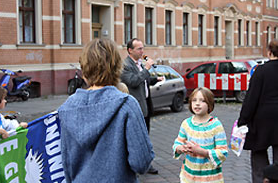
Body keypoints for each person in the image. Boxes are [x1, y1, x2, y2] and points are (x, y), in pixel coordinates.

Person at [58, 39, 154, 183]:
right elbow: (141, 162)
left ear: (84, 68)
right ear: (116, 67)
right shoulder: (127, 105)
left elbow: (67, 163)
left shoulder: (67, 108)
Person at [237, 39, 278, 183]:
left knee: (259, 155)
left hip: (262, 121)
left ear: (269, 52)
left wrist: (243, 120)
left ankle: (261, 180)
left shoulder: (261, 71)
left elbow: (251, 98)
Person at [121, 38, 162, 174]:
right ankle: (135, 163)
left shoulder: (139, 63)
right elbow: (133, 81)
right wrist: (147, 68)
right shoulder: (125, 65)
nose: (142, 51)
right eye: (139, 49)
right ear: (130, 50)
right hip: (135, 107)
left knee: (146, 135)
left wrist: (156, 79)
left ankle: (145, 162)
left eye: (142, 48)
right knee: (136, 137)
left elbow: (144, 80)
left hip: (145, 103)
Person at [172, 87, 228, 183]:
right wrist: (180, 148)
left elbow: (223, 152)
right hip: (189, 175)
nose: (197, 103)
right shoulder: (186, 124)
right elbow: (178, 142)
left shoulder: (216, 126)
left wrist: (202, 151)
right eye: (194, 100)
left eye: (202, 101)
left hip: (210, 177)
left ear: (209, 104)